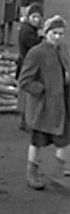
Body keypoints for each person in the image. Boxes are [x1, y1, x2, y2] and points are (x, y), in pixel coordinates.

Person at [19, 15, 70, 191]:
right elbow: (24, 81)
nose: (57, 37)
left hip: (61, 106)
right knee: (37, 142)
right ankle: (31, 174)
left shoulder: (62, 49)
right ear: (46, 33)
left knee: (64, 140)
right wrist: (43, 89)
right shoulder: (36, 53)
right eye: (54, 33)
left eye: (61, 33)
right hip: (43, 108)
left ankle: (58, 173)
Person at [16, 3, 43, 132]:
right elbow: (35, 46)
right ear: (29, 17)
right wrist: (42, 38)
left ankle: (24, 120)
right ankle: (26, 121)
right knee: (27, 93)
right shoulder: (27, 31)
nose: (36, 20)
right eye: (34, 17)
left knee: (25, 93)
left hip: (25, 64)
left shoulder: (28, 29)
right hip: (28, 65)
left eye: (38, 17)